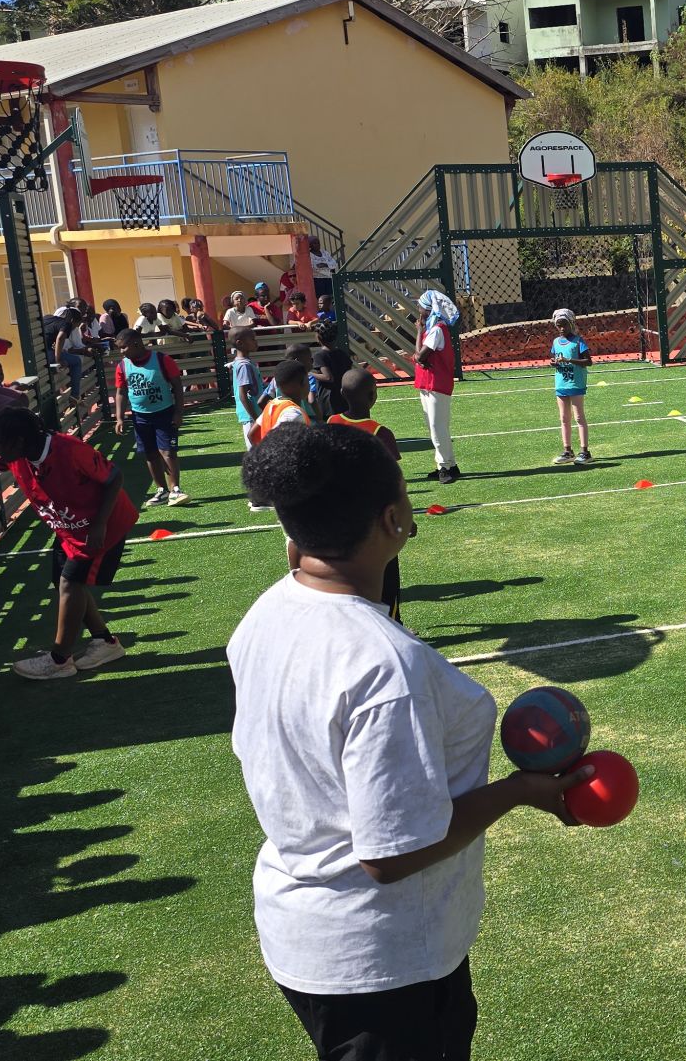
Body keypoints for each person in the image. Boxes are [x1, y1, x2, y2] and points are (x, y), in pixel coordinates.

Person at [228, 422, 591, 1060]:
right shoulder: (384, 667)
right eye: (407, 501)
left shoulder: (267, 612)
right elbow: (391, 854)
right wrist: (518, 791)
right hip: (382, 961)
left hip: (307, 933)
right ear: (392, 520)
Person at [0, 408, 133, 680]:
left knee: (70, 583)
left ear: (18, 441)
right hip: (70, 529)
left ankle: (59, 660)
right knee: (65, 583)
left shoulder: (69, 450)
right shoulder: (14, 452)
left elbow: (114, 477)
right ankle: (105, 643)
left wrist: (100, 524)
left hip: (100, 526)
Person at [326, 370, 405, 622]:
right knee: (386, 577)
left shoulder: (331, 423)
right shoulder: (380, 433)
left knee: (348, 578)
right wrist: (403, 519)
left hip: (339, 518)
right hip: (374, 522)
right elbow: (393, 482)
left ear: (341, 394)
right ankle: (393, 624)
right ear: (373, 396)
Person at [114, 329, 187, 507]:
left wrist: (178, 411)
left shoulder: (162, 360)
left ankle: (175, 489)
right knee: (150, 453)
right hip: (140, 416)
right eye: (119, 348)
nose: (121, 351)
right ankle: (161, 490)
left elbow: (177, 386)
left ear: (137, 344)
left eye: (124, 347)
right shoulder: (123, 366)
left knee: (167, 451)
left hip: (164, 413)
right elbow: (121, 392)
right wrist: (120, 418)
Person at [414, 289, 460, 483]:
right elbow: (421, 357)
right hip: (428, 383)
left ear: (428, 308)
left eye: (420, 306)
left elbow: (419, 355)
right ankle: (450, 463)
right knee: (437, 426)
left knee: (437, 426)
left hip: (436, 384)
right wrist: (420, 357)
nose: (418, 309)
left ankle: (444, 468)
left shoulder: (437, 329)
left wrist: (417, 332)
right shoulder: (433, 328)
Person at [550, 308, 592, 466]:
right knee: (564, 418)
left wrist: (569, 360)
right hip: (561, 384)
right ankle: (568, 451)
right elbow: (553, 358)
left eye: (564, 325)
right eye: (559, 325)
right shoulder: (555, 342)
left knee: (579, 417)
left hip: (575, 383)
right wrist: (554, 362)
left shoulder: (578, 341)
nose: (561, 328)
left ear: (571, 324)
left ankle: (585, 452)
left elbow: (588, 361)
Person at [251, 361, 315, 445]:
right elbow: (277, 441)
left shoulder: (273, 404)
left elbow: (251, 435)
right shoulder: (293, 414)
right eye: (308, 380)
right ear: (303, 383)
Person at [228, 328, 264, 449]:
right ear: (240, 343)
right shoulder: (244, 366)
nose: (256, 342)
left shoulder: (242, 362)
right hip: (251, 416)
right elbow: (243, 395)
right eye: (252, 339)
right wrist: (256, 419)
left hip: (253, 414)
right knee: (255, 451)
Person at [310, 346, 354, 420]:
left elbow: (328, 377)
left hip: (329, 400)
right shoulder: (342, 353)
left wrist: (310, 374)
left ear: (318, 337)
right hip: (344, 396)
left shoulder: (320, 355)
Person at [309, 236, 338, 306]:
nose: (317, 244)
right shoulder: (309, 255)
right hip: (318, 280)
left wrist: (325, 264)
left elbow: (334, 264)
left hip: (328, 278)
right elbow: (314, 267)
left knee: (331, 297)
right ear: (310, 245)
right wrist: (328, 267)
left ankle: (332, 312)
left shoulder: (325, 252)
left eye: (318, 243)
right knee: (321, 299)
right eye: (314, 243)